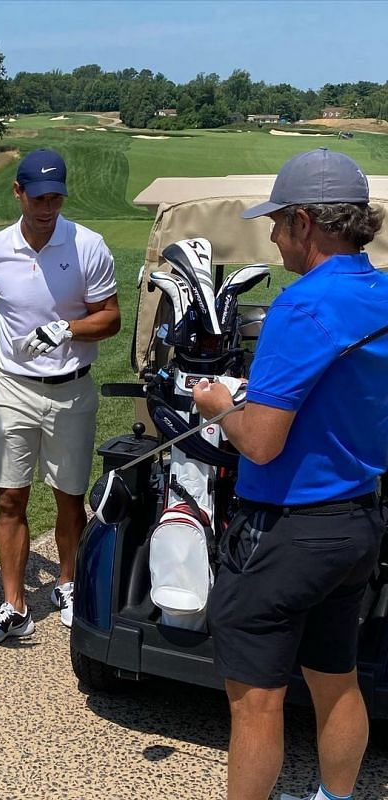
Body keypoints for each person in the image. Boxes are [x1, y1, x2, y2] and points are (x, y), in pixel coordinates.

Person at [192, 148, 388, 800]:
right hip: (356, 520)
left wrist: (222, 407)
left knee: (256, 702)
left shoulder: (301, 307)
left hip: (286, 530)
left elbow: (263, 444)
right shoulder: (380, 293)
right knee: (337, 677)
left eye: (278, 222)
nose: (273, 236)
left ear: (305, 221)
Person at [0, 148, 120, 645]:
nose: (48, 207)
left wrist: (66, 330)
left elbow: (110, 317)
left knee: (70, 497)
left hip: (71, 388)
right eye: (39, 197)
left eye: (56, 197)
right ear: (18, 193)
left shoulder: (88, 245)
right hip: (14, 387)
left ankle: (68, 584)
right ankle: (14, 605)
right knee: (10, 497)